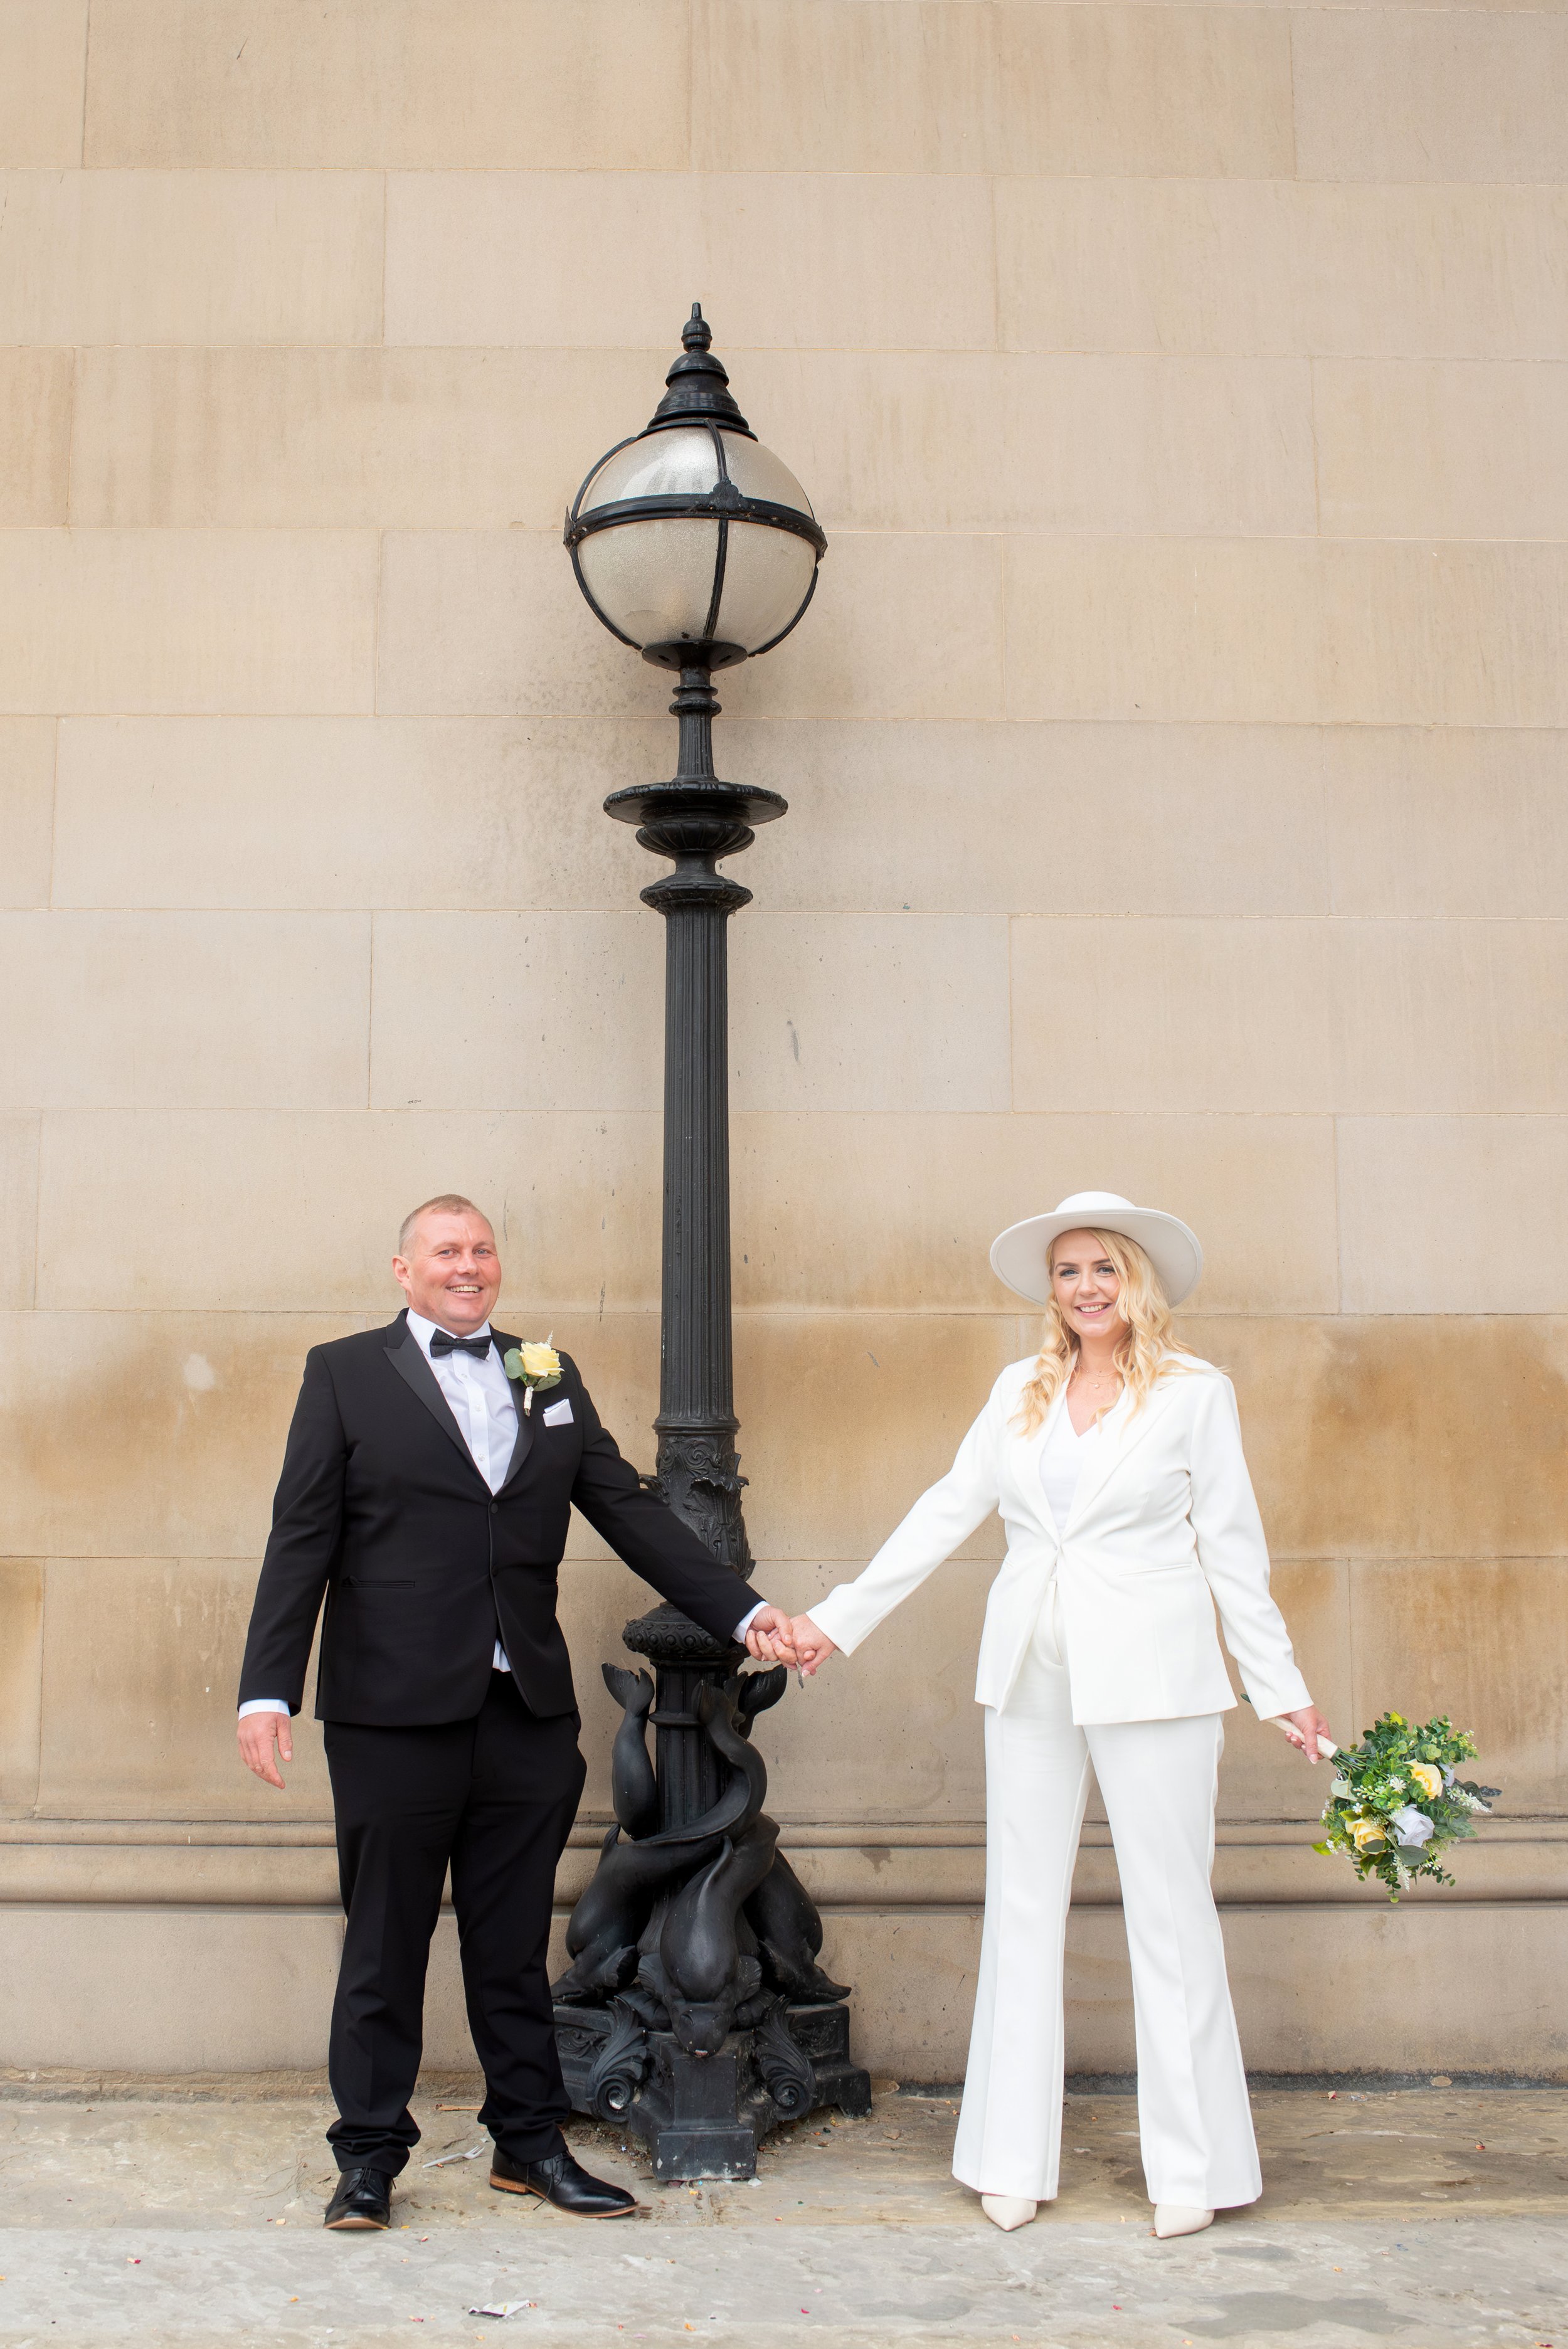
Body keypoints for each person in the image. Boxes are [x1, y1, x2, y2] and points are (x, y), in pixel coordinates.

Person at [236, 1194, 798, 2232]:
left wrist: (748, 1609)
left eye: (482, 1249)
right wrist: (268, 1686)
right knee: (386, 1941)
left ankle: (529, 2144)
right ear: (402, 1270)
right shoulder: (344, 1374)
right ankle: (367, 2158)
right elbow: (300, 1536)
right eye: (445, 1250)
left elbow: (629, 1510)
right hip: (391, 1714)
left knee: (508, 1945)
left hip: (523, 1713)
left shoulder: (548, 1372)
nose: (468, 1264)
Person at [783, 1190, 1331, 2242]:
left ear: (1139, 1280)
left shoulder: (1193, 1394)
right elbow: (944, 1510)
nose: (1086, 1287)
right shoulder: (1018, 1390)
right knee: (1022, 1905)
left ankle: (1196, 2165)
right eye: (1069, 1271)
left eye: (1105, 1269)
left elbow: (1234, 1549)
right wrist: (835, 1621)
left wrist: (1281, 1686)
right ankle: (1007, 2156)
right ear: (1053, 1289)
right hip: (1031, 1672)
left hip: (1159, 1679)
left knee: (1170, 1914)